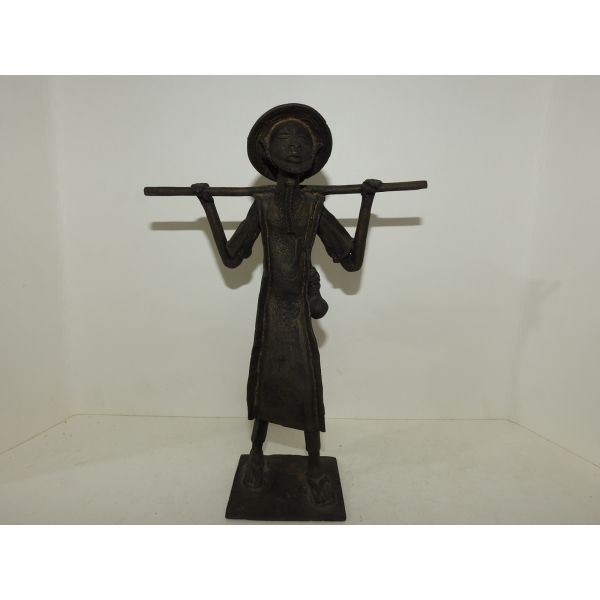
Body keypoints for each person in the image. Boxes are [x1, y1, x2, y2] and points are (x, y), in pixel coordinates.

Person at [192, 104, 381, 505]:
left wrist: (366, 204)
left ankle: (314, 464)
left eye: (302, 140)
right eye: (284, 138)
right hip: (271, 309)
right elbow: (232, 257)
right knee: (265, 379)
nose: (294, 146)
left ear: (315, 152)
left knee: (306, 384)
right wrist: (208, 206)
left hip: (298, 311)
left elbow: (350, 260)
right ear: (266, 149)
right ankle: (256, 455)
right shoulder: (262, 204)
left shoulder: (315, 204)